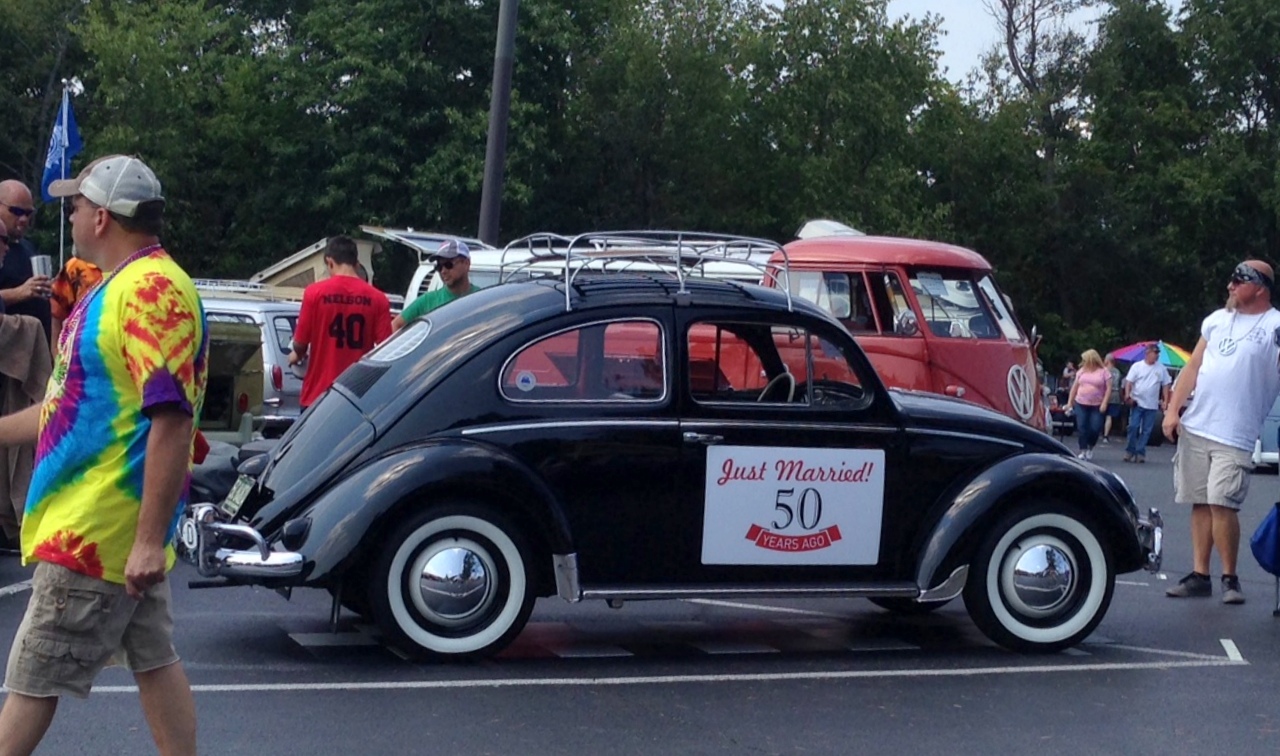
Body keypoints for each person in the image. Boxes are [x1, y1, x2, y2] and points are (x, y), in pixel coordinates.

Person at [0, 155, 205, 755]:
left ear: (104, 217)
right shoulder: (118, 287)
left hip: (96, 532)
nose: (70, 215)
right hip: (113, 530)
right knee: (154, 660)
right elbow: (66, 407)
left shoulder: (150, 291)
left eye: (77, 205)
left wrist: (146, 541)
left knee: (31, 680)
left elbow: (171, 418)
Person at [1163, 260, 1280, 604]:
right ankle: (1200, 575)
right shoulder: (1216, 320)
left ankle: (1230, 577)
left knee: (1221, 501)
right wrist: (1172, 410)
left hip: (1236, 432)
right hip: (1198, 425)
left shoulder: (1274, 326)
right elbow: (1193, 367)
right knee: (1200, 501)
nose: (1230, 286)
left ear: (1260, 288)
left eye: (1238, 280)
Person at [289, 235, 392, 409]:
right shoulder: (378, 299)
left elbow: (300, 343)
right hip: (357, 397)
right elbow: (386, 349)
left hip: (318, 395)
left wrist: (296, 355)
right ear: (356, 264)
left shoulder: (314, 293)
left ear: (330, 262)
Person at [0, 180, 52, 339]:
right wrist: (20, 292)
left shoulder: (28, 247)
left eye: (28, 213)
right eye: (16, 211)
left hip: (36, 344)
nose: (23, 219)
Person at [392, 239, 479, 331]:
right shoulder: (428, 301)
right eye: (439, 267)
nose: (443, 271)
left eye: (448, 265)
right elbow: (395, 325)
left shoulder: (480, 299)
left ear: (466, 263)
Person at [1122, 344, 1171, 463]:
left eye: (1157, 353)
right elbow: (1129, 382)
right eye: (1155, 353)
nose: (1156, 356)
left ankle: (1140, 452)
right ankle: (1130, 450)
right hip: (1137, 402)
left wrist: (1165, 400)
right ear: (1147, 353)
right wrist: (1127, 395)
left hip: (1151, 404)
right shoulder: (1137, 366)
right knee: (1133, 426)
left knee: (1146, 430)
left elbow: (1166, 385)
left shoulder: (1161, 369)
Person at [48, 254, 103, 350]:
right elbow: (57, 312)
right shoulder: (75, 266)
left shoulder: (130, 267)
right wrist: (56, 353)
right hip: (82, 351)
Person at [1064, 349, 1110, 461]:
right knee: (1082, 426)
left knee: (1095, 427)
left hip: (1097, 404)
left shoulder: (1104, 372)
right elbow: (1075, 387)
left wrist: (1104, 402)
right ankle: (1083, 450)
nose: (1083, 362)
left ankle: (1090, 445)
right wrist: (1070, 402)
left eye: (1085, 360)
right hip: (1081, 402)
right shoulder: (1082, 371)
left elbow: (1108, 389)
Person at [1102, 354, 1124, 442]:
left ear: (1107, 361)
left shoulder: (1104, 370)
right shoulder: (1117, 372)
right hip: (1115, 395)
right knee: (1109, 416)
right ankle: (1106, 435)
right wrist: (1121, 398)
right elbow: (1120, 386)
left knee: (1100, 414)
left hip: (1104, 395)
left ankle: (1097, 432)